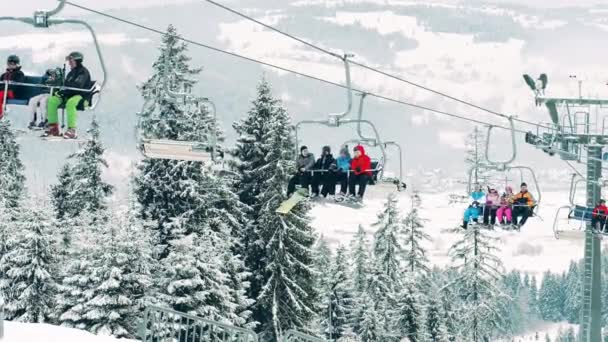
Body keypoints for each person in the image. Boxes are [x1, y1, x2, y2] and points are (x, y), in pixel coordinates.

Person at [45, 51, 91, 139]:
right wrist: (61, 91)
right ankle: (53, 128)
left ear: (77, 61)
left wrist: (65, 90)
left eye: (71, 60)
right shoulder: (71, 73)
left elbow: (77, 86)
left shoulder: (83, 72)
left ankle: (72, 130)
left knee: (70, 103)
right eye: (69, 60)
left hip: (80, 95)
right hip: (69, 94)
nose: (69, 62)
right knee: (52, 100)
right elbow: (66, 85)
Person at [0, 55, 25, 120]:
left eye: (13, 64)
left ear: (17, 64)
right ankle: (2, 113)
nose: (11, 66)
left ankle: (1, 115)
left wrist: (6, 87)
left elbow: (17, 85)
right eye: (9, 64)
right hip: (4, 91)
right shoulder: (4, 75)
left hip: (13, 93)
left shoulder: (19, 74)